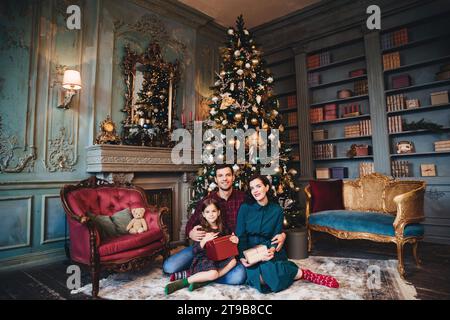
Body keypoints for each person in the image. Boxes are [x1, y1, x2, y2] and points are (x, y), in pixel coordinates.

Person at [162, 164, 287, 285]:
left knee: (239, 277)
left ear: (233, 177)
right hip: (207, 248)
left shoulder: (244, 199)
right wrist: (190, 232)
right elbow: (191, 223)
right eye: (220, 176)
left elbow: (266, 215)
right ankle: (202, 273)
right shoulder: (208, 200)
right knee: (169, 267)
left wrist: (282, 234)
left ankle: (200, 276)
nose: (224, 179)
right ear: (216, 179)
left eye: (228, 175)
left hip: (230, 250)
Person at [236, 174, 339, 293]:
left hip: (267, 248)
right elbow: (241, 235)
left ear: (267, 187)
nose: (255, 191)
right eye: (252, 188)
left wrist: (272, 250)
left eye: (258, 186)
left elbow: (276, 235)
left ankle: (306, 274)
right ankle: (298, 273)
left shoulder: (277, 210)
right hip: (250, 251)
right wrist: (243, 257)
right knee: (261, 280)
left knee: (270, 275)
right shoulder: (245, 208)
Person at [164, 199, 239, 294]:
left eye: (213, 211)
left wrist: (234, 240)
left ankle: (204, 280)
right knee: (213, 273)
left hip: (219, 258)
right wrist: (204, 240)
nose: (211, 214)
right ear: (203, 214)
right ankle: (183, 282)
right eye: (207, 212)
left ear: (218, 212)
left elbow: (228, 244)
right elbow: (195, 250)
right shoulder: (200, 229)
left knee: (233, 261)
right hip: (204, 258)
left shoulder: (224, 228)